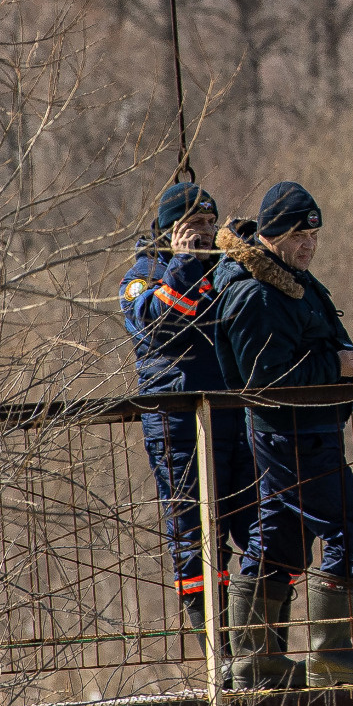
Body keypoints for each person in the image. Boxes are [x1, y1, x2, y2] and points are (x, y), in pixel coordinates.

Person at [210, 181, 353, 690]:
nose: (308, 244)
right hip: (291, 435)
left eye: (313, 234)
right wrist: (333, 364)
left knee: (278, 541)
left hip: (306, 431)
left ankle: (255, 661)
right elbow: (265, 378)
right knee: (352, 529)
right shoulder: (255, 293)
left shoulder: (293, 281)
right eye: (297, 234)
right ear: (272, 235)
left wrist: (339, 359)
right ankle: (331, 653)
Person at [119, 180, 255, 649]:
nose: (202, 234)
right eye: (192, 225)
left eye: (209, 224)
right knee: (194, 540)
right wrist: (182, 264)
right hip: (177, 428)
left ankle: (260, 647)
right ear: (168, 230)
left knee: (263, 525)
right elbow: (154, 322)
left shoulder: (221, 270)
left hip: (234, 420)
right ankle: (222, 656)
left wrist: (248, 255)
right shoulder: (145, 275)